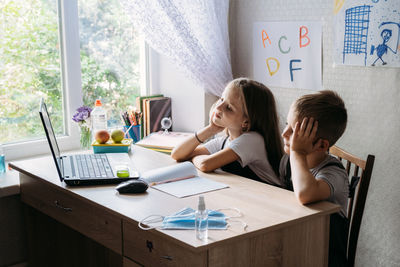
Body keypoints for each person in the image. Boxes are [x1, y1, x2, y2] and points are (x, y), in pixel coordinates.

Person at [171, 78, 284, 186]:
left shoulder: (252, 140)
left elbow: (205, 164)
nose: (219, 107)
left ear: (246, 122)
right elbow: (177, 154)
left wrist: (192, 158)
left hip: (273, 198)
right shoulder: (223, 142)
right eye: (221, 99)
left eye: (229, 107)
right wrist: (210, 129)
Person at [280, 90, 349, 267]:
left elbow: (305, 194)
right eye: (286, 124)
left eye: (294, 131)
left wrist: (297, 152)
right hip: (296, 244)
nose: (284, 133)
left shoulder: (334, 174)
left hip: (324, 256)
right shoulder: (287, 161)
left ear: (322, 145)